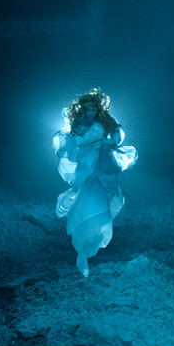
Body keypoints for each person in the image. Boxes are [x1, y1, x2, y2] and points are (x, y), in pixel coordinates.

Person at [52, 88, 137, 277]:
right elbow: (72, 141)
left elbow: (117, 135)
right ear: (82, 109)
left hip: (103, 163)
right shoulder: (78, 124)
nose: (90, 112)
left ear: (98, 109)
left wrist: (108, 143)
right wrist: (71, 147)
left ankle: (95, 236)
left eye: (93, 108)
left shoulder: (105, 121)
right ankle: (84, 245)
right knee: (87, 197)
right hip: (86, 165)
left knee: (109, 197)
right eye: (87, 109)